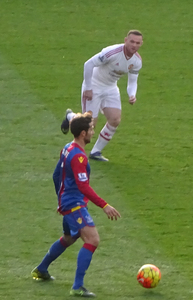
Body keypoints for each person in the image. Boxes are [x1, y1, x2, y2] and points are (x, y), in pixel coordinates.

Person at [31, 112, 121, 298]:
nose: (93, 132)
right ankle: (77, 286)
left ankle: (41, 269)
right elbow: (83, 186)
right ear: (82, 133)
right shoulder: (79, 157)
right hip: (74, 204)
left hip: (68, 202)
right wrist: (105, 206)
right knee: (92, 240)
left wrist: (60, 199)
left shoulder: (67, 148)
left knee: (69, 237)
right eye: (91, 129)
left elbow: (56, 176)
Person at [60, 30, 143, 162]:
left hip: (110, 88)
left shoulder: (137, 61)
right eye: (132, 41)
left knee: (115, 119)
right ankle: (70, 116)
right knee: (89, 124)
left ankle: (96, 152)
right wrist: (88, 87)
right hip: (94, 85)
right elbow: (88, 64)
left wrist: (132, 95)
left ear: (141, 44)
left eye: (137, 43)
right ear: (125, 40)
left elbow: (132, 81)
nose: (134, 45)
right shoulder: (112, 52)